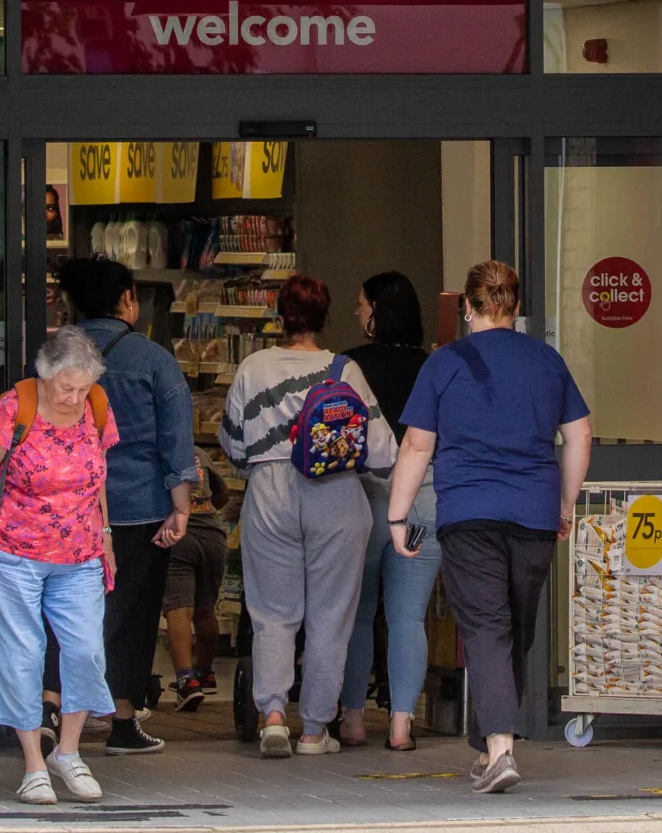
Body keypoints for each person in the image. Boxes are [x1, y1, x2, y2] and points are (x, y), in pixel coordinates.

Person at [387, 260, 590, 796]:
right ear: (515, 307)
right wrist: (565, 502)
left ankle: (498, 748)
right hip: (534, 515)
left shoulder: (445, 363)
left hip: (469, 514)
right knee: (511, 630)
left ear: (469, 308)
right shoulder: (548, 361)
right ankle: (494, 746)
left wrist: (397, 515)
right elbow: (580, 434)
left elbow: (416, 445)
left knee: (489, 628)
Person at [219, 274, 399, 759]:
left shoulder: (252, 367)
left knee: (273, 615)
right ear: (324, 320)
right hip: (336, 494)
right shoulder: (345, 370)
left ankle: (274, 716)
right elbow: (383, 452)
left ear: (280, 319)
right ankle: (317, 730)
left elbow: (234, 445)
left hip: (270, 493)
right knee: (330, 617)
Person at [0, 326, 119, 807]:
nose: (75, 397)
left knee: (86, 651)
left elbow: (97, 476)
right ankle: (33, 765)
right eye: (67, 387)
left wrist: (106, 535)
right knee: (23, 655)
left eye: (83, 387)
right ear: (44, 377)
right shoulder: (12, 409)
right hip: (12, 551)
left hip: (80, 553)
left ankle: (68, 752)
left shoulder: (98, 407)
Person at [57, 255, 195, 755]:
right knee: (133, 614)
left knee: (63, 608)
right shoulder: (153, 358)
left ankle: (51, 708)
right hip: (140, 508)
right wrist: (180, 506)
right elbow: (175, 440)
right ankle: (121, 720)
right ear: (127, 301)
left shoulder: (57, 357)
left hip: (67, 507)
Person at [338, 270, 440, 751]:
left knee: (357, 614)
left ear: (377, 312)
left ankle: (353, 719)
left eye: (361, 304)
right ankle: (401, 725)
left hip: (366, 495)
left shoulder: (348, 366)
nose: (357, 312)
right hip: (425, 492)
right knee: (407, 617)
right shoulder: (434, 367)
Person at [163, 466, 230, 710]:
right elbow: (222, 493)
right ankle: (205, 672)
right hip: (214, 535)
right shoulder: (200, 453)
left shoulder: (164, 453)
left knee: (178, 608)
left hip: (180, 535)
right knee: (206, 607)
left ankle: (186, 680)